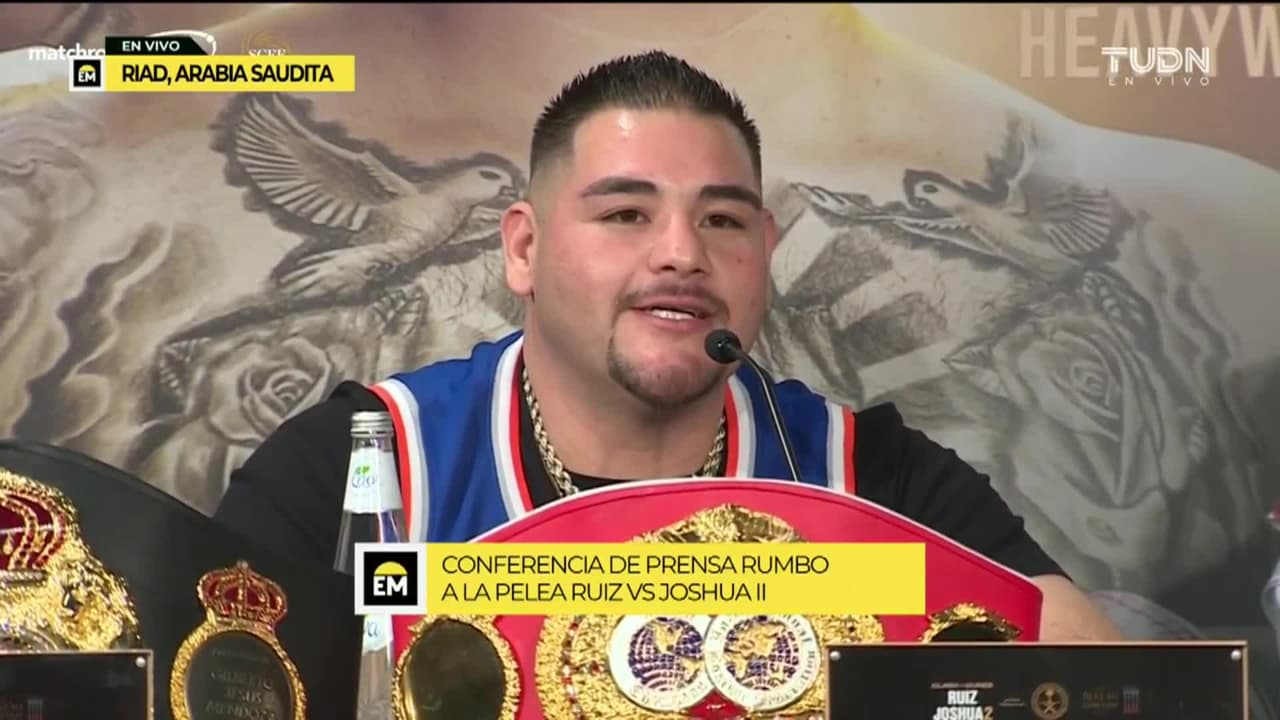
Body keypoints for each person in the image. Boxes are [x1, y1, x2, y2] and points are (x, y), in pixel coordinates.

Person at [211, 49, 1122, 641]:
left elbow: (1088, 674)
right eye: (625, 214)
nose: (682, 253)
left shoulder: (873, 476)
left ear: (764, 253)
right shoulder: (359, 465)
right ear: (524, 250)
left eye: (722, 220)